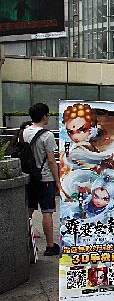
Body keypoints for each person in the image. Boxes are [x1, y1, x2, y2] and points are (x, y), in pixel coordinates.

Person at [23, 103, 60, 256]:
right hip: (45, 178)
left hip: (29, 178)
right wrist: (57, 180)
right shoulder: (47, 135)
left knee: (29, 210)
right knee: (47, 212)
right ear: (44, 116)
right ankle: (50, 246)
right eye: (48, 115)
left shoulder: (24, 132)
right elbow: (51, 160)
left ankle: (27, 242)